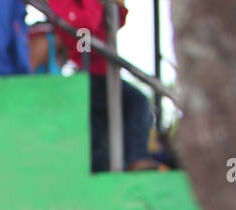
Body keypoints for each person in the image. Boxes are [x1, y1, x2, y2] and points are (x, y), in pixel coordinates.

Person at [46, 0, 156, 170]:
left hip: (104, 74)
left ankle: (129, 160)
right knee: (136, 102)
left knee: (103, 136)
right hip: (87, 74)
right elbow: (85, 29)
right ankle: (136, 157)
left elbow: (114, 22)